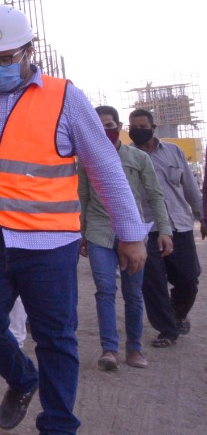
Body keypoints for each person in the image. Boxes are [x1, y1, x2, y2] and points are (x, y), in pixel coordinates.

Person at [0, 5, 147, 435]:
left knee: (56, 337)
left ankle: (58, 434)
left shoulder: (65, 98)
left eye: (6, 57)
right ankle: (21, 376)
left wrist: (130, 234)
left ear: (29, 51)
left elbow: (105, 168)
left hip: (49, 244)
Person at [80, 106, 171, 370]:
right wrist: (82, 233)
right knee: (105, 291)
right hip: (99, 231)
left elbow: (154, 196)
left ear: (119, 127)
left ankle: (134, 349)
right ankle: (109, 350)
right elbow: (83, 197)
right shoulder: (86, 160)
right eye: (98, 127)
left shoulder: (138, 158)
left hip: (132, 233)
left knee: (133, 293)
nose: (104, 131)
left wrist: (164, 230)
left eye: (109, 125)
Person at [128, 108, 203, 346]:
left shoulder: (174, 152)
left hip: (179, 226)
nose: (138, 131)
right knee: (153, 283)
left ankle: (178, 313)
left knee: (188, 279)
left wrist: (203, 217)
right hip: (146, 231)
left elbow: (190, 187)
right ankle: (167, 330)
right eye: (134, 127)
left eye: (142, 127)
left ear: (153, 128)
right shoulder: (126, 156)